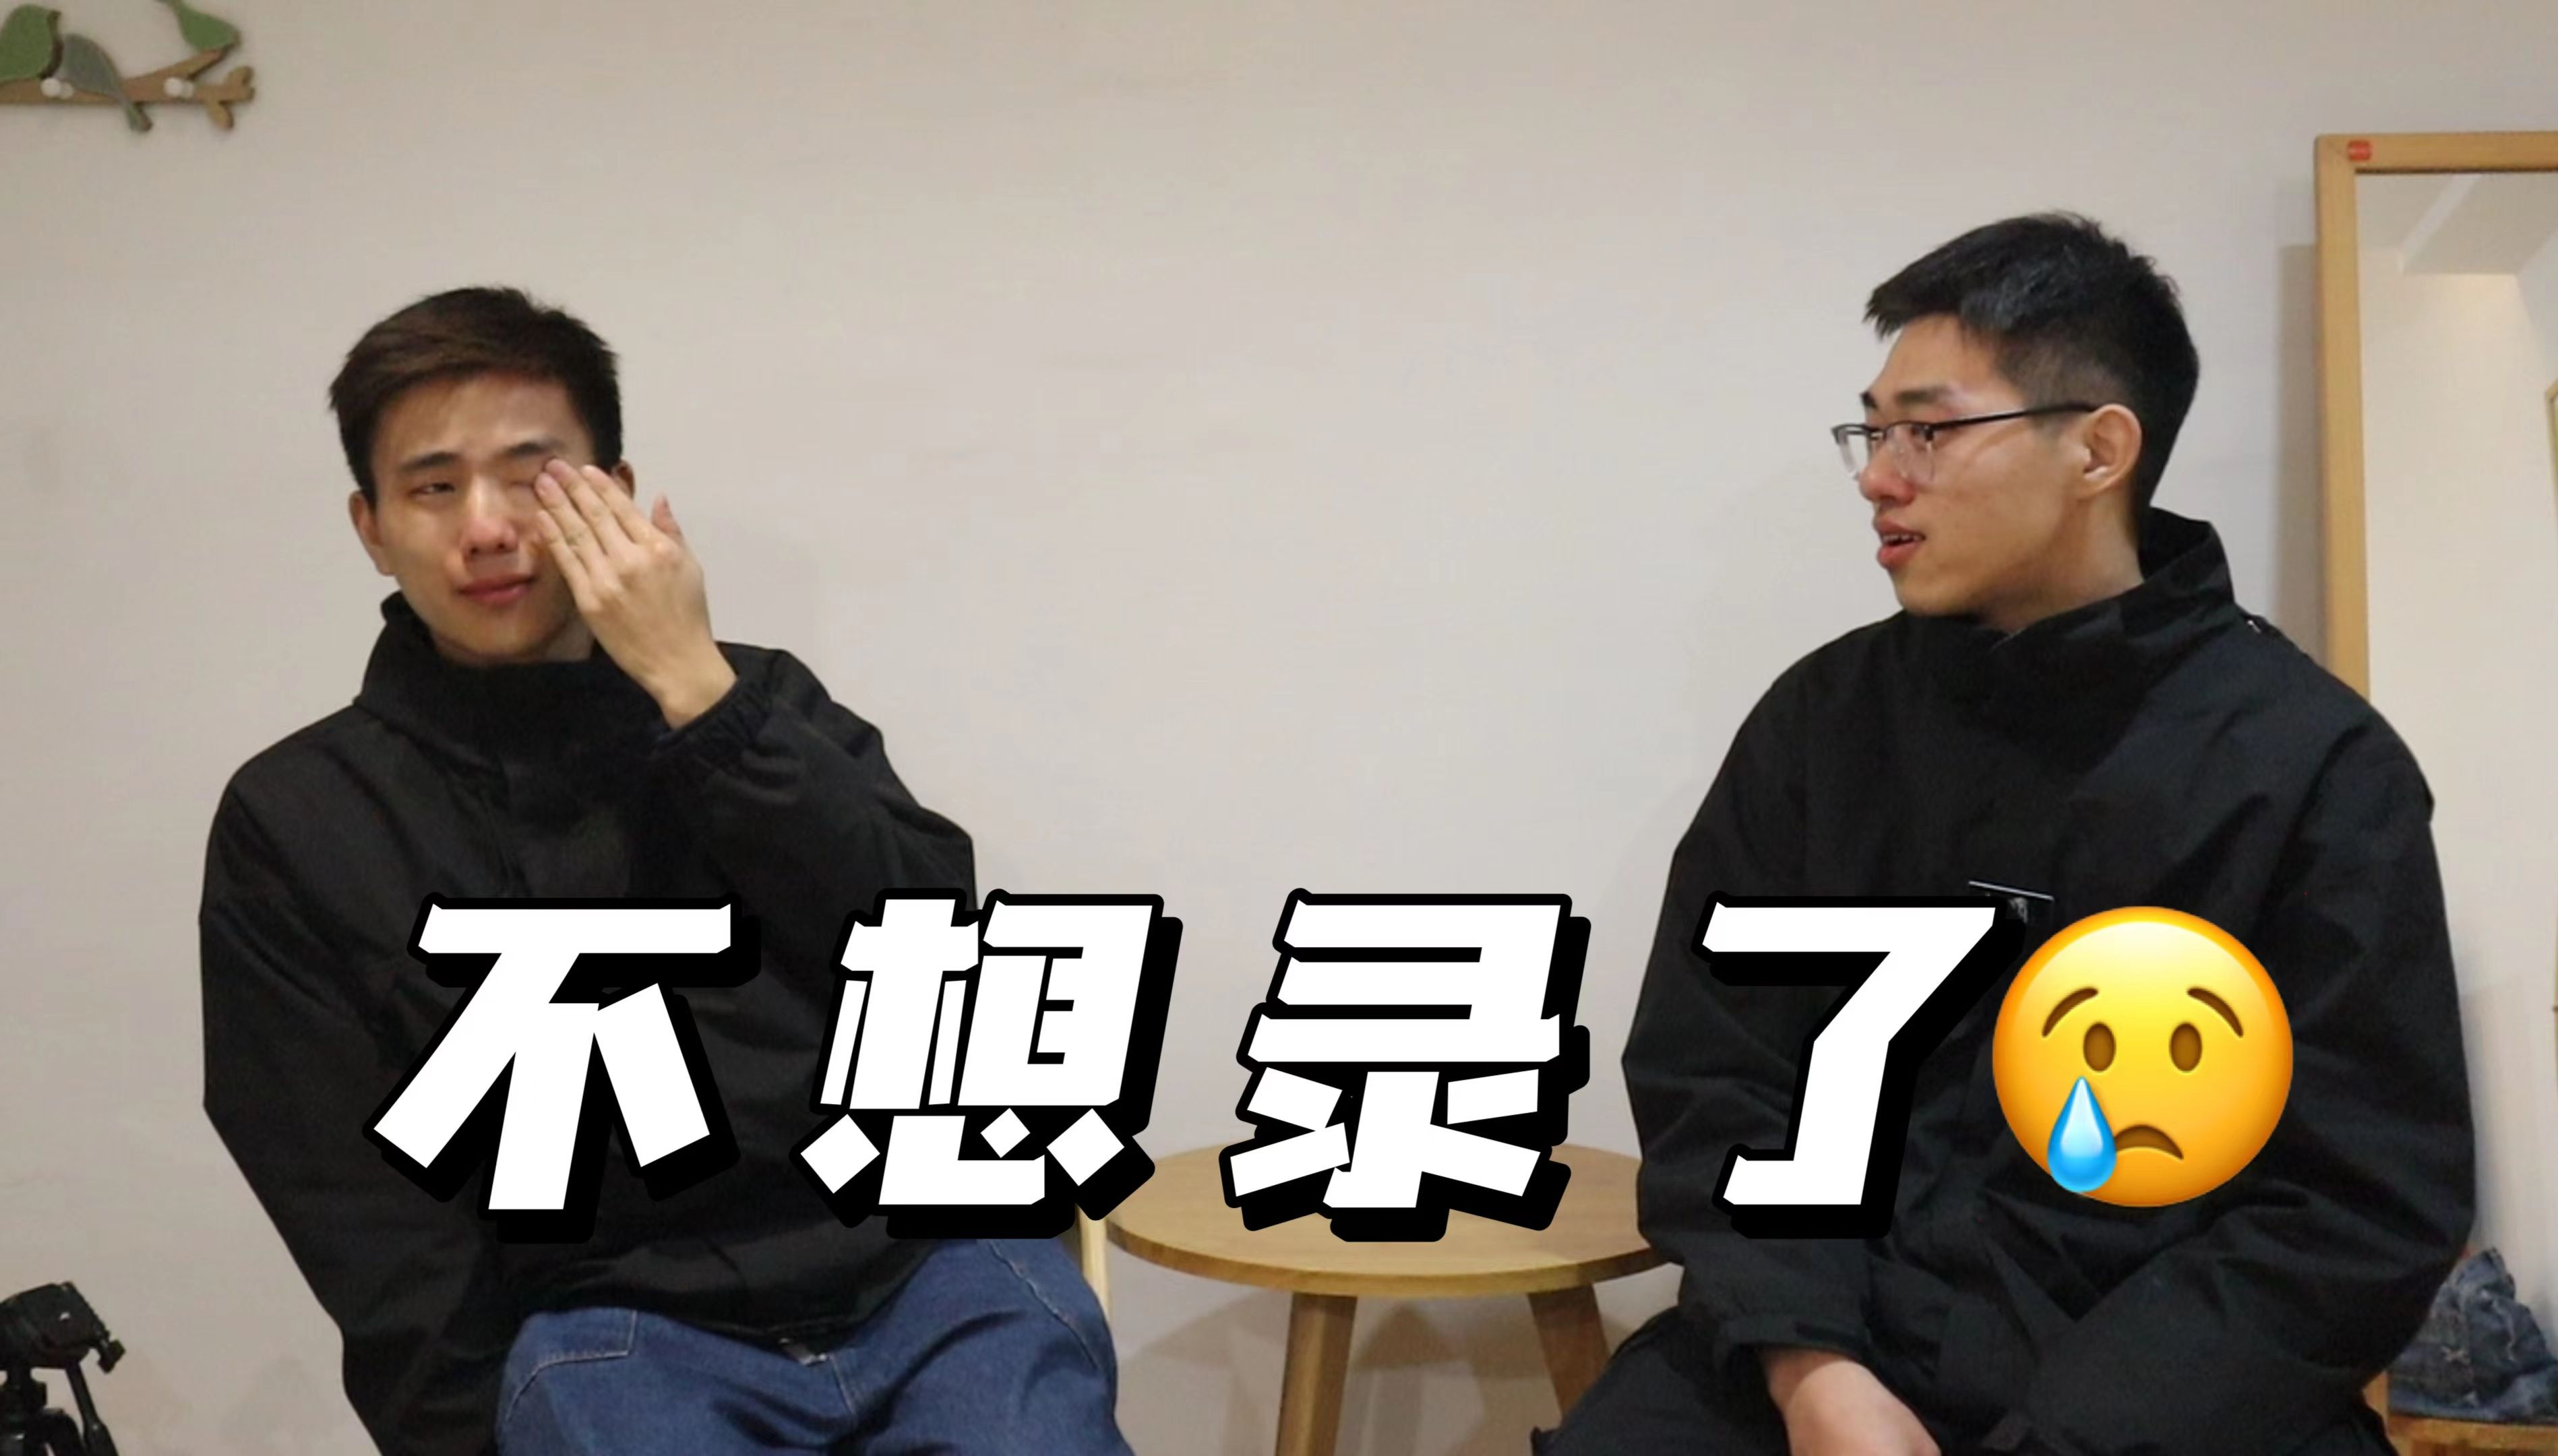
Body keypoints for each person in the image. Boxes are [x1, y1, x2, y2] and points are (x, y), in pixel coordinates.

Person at [1545, 215, 2474, 1455]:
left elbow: (2356, 1209)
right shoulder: (1824, 722)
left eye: (1928, 431)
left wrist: (2067, 1440)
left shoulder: (2313, 768)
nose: (1880, 476)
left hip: (2164, 1405)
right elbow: (1717, 1078)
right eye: (1874, 432)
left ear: (2098, 449)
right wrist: (1815, 1372)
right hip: (1819, 1349)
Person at [198, 287, 1130, 1456]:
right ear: (371, 528)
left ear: (618, 494)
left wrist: (700, 695)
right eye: (433, 488)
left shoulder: (759, 699)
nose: (486, 528)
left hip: (924, 1277)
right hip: (613, 1331)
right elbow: (360, 1216)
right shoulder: (299, 819)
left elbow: (934, 951)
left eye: (533, 478)